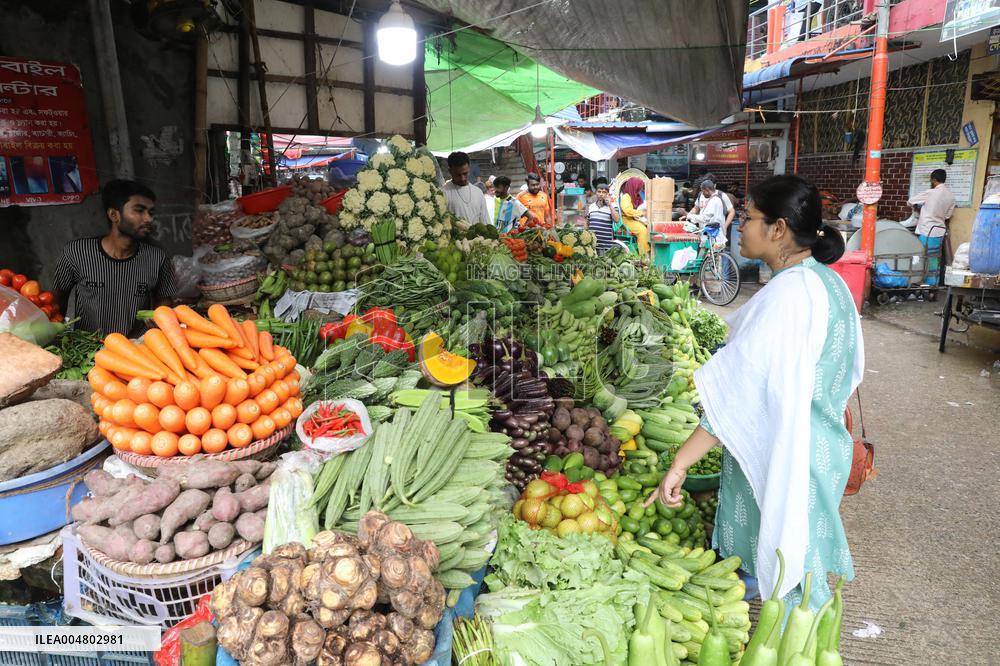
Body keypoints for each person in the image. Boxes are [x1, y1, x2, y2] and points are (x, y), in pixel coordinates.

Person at [645, 175, 863, 613]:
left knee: (786, 567)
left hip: (786, 451)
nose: (739, 226)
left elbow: (739, 398)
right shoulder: (829, 283)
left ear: (778, 229)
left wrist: (679, 465)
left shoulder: (788, 296)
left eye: (748, 217)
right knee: (798, 555)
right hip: (820, 448)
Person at [52, 179, 178, 338]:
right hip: (87, 348)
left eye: (151, 212)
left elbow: (165, 299)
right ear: (113, 215)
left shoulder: (157, 258)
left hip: (137, 347)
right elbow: (57, 301)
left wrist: (159, 317)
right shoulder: (76, 253)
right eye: (139, 210)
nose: (148, 219)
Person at [907, 169, 955, 285]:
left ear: (933, 180)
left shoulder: (930, 193)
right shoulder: (951, 196)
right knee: (934, 259)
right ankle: (933, 284)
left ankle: (923, 284)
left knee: (922, 258)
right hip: (939, 231)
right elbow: (948, 215)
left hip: (926, 230)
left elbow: (910, 201)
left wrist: (918, 208)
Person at [442, 152, 491, 226]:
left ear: (469, 169)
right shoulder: (443, 193)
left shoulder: (478, 192)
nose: (462, 178)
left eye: (465, 173)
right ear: (450, 171)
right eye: (458, 175)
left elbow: (485, 221)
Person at [683, 179, 731, 245]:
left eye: (703, 191)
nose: (702, 193)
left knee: (706, 253)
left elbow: (704, 218)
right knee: (713, 254)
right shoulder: (716, 199)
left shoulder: (713, 201)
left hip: (712, 235)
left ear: (707, 190)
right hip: (712, 234)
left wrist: (687, 214)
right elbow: (696, 208)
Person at [619, 176, 650, 256]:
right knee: (643, 230)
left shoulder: (636, 196)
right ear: (634, 186)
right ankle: (644, 255)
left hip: (633, 219)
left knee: (650, 227)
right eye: (639, 187)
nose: (640, 190)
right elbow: (627, 211)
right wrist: (641, 213)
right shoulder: (626, 197)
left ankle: (649, 250)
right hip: (626, 220)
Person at [586, 181, 619, 254]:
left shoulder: (613, 206)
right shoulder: (591, 206)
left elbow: (617, 220)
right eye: (599, 191)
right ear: (596, 193)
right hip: (592, 245)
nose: (601, 194)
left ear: (607, 194)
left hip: (605, 245)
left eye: (604, 192)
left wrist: (610, 205)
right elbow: (587, 223)